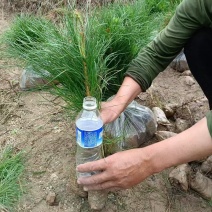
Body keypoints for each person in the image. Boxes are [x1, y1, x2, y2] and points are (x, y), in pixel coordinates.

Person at [77, 0, 212, 191]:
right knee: (200, 42)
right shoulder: (202, 5)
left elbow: (148, 160)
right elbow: (156, 53)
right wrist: (118, 102)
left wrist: (146, 160)